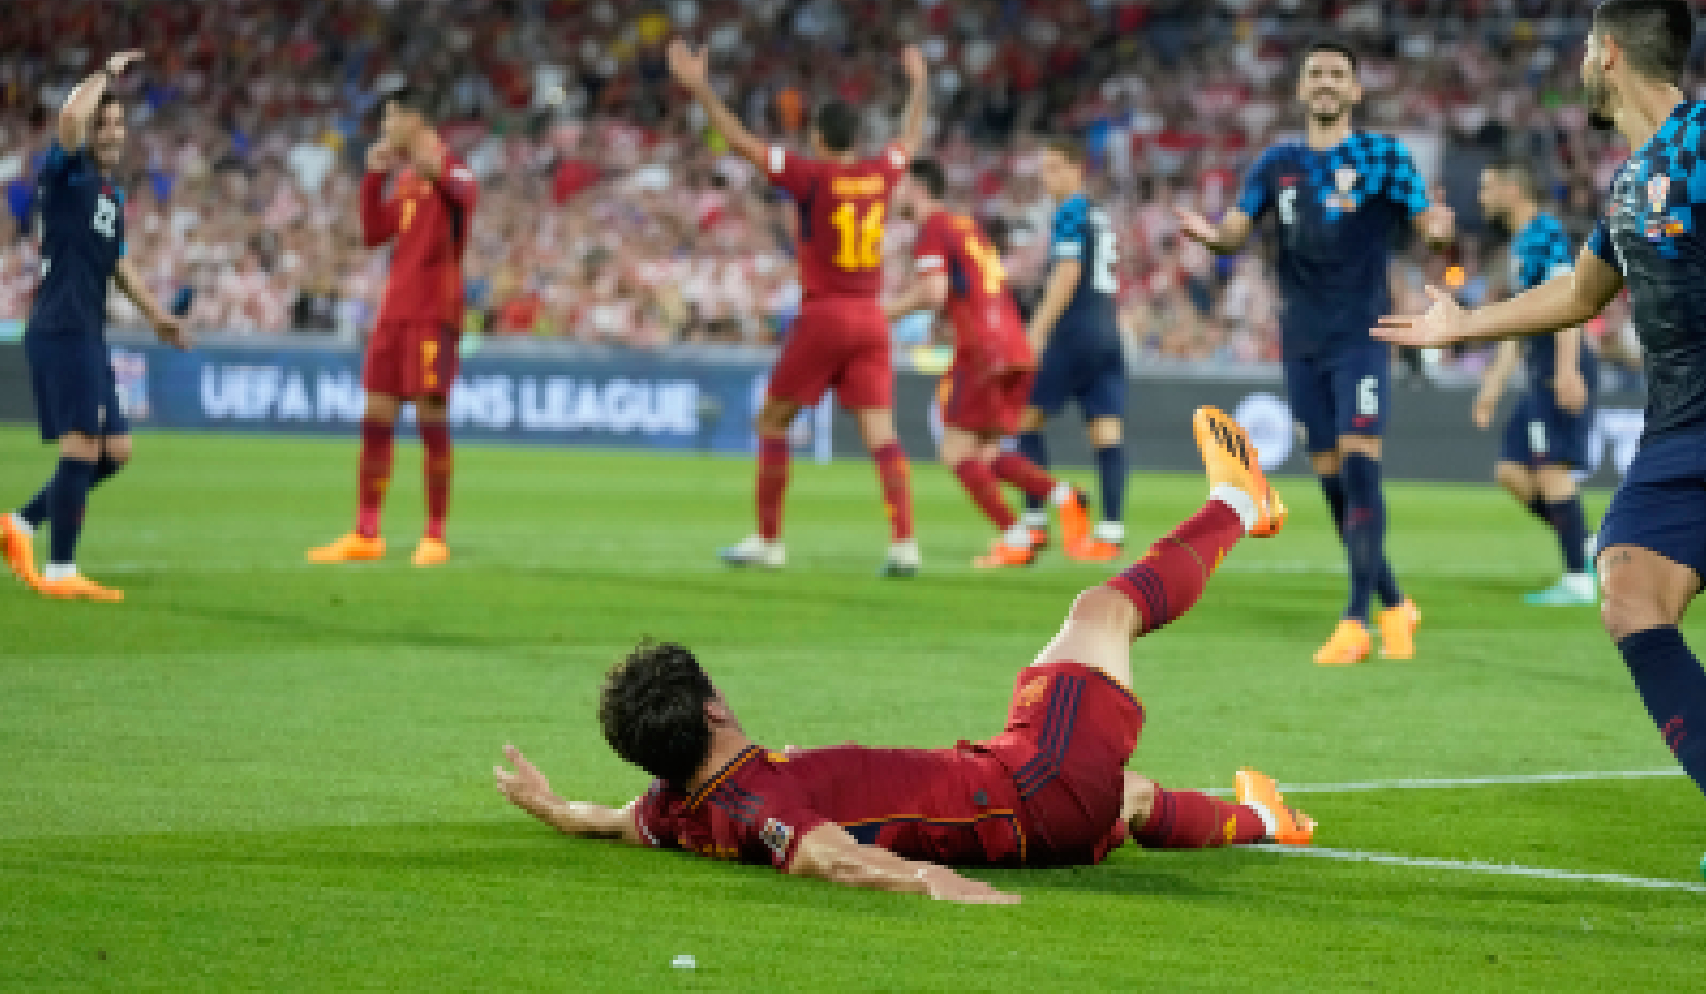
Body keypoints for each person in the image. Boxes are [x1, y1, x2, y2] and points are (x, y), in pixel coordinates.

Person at [1376, 0, 1706, 901]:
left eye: (1583, 46)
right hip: (1679, 432)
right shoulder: (1623, 184)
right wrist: (1464, 326)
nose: (1580, 60)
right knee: (1629, 601)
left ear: (1608, 52)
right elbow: (1577, 297)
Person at [494, 407, 1316, 899]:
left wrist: (559, 811)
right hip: (1024, 790)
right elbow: (822, 854)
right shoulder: (761, 801)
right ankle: (1240, 504)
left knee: (1125, 795)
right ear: (713, 705)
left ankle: (1267, 821)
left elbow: (617, 822)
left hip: (1021, 804)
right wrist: (926, 882)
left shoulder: (681, 808)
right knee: (1104, 610)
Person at [1177, 41, 1455, 665]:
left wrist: (1437, 228)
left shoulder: (1383, 156)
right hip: (1300, 340)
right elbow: (1234, 232)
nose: (1326, 83)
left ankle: (1358, 621)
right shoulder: (1277, 163)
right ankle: (1395, 601)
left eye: (1337, 74)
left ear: (1355, 90)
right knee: (1332, 481)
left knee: (1360, 468)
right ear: (1302, 90)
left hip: (1362, 333)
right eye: (1316, 75)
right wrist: (1212, 237)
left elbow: (1424, 222)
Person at [668, 38, 928, 576]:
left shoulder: (812, 177)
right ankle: (905, 544)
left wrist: (699, 89)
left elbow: (741, 142)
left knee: (773, 419)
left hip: (826, 313)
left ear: (817, 137)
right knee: (881, 433)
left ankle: (769, 541)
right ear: (857, 139)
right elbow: (911, 137)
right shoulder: (880, 174)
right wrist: (920, 85)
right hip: (872, 318)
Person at [0, 52, 189, 601]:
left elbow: (118, 263)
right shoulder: (65, 170)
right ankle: (59, 570)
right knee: (82, 442)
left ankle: (22, 524)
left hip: (87, 331)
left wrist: (157, 317)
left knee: (116, 450)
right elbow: (70, 122)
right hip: (61, 325)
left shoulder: (110, 194)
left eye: (120, 124)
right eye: (106, 124)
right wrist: (103, 74)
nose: (113, 133)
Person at [887, 158, 1095, 567]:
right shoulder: (966, 225)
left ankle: (1017, 536)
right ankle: (1064, 496)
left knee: (955, 452)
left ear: (916, 187)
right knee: (984, 454)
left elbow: (933, 291)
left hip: (983, 353)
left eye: (898, 187)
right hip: (1014, 345)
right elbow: (972, 288)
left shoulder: (933, 228)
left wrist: (883, 313)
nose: (894, 196)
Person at [307, 88, 479, 568]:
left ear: (412, 119)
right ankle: (367, 532)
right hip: (394, 313)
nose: (384, 128)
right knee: (376, 418)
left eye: (388, 118)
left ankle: (435, 534)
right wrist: (373, 178)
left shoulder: (452, 169)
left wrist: (436, 173)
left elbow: (467, 193)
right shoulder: (404, 178)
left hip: (433, 313)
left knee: (430, 421)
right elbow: (373, 233)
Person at [992, 139, 1130, 567]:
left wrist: (1035, 331)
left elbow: (1068, 274)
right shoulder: (1098, 214)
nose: (1045, 175)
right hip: (1107, 331)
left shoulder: (1069, 211)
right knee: (1106, 432)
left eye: (1054, 167)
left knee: (1025, 420)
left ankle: (1034, 520)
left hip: (1073, 333)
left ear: (1076, 170)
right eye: (1043, 167)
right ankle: (1110, 531)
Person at [1471, 157, 1600, 606]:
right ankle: (1588, 545)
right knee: (1510, 471)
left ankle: (1578, 579)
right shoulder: (1521, 243)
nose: (1482, 197)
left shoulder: (1545, 233)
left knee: (1551, 471)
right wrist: (1492, 385)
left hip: (1559, 361)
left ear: (1512, 188)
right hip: (1539, 365)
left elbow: (1570, 300)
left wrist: (1567, 369)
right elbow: (1518, 324)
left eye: (1488, 187)